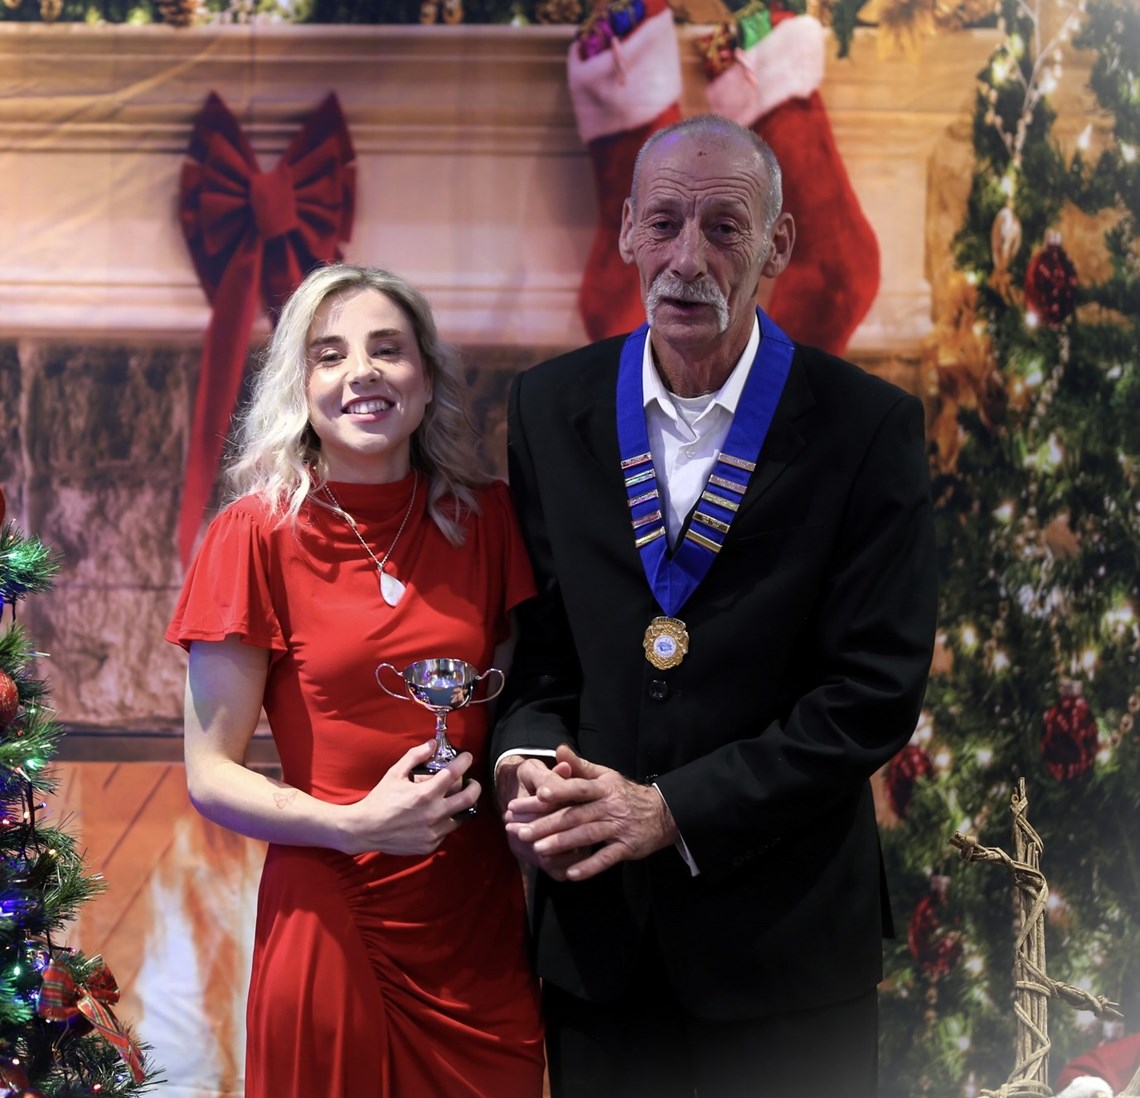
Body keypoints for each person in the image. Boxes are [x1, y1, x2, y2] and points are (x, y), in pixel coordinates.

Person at [491, 114, 938, 1098]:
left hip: (786, 949)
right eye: (664, 223)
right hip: (599, 945)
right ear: (627, 232)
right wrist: (524, 761)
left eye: (725, 228)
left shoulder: (868, 428)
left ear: (777, 245)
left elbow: (871, 694)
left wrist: (671, 812)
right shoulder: (548, 409)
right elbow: (541, 651)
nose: (687, 260)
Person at [166, 264, 545, 1098]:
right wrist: (354, 824)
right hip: (332, 908)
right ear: (299, 385)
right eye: (329, 354)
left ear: (427, 378)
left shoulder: (488, 520)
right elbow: (211, 773)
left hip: (474, 926)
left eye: (387, 350)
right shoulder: (253, 534)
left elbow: (525, 706)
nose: (361, 373)